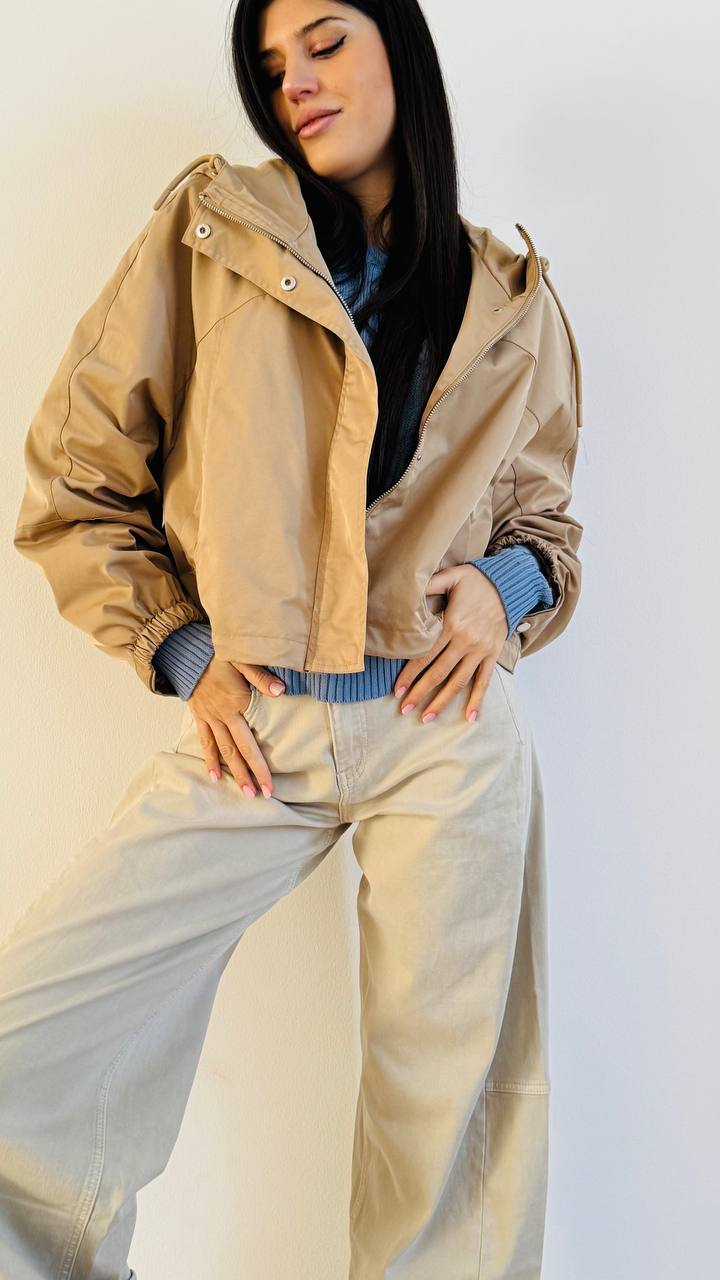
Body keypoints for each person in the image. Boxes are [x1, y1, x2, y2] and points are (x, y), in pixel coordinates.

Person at [4, 1, 584, 1276]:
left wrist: (504, 586)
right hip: (254, 725)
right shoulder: (211, 234)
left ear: (399, 52)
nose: (296, 84)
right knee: (30, 1040)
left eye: (325, 43)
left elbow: (545, 524)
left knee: (448, 1125)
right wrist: (182, 647)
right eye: (273, 68)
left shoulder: (508, 294)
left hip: (446, 725)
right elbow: (76, 480)